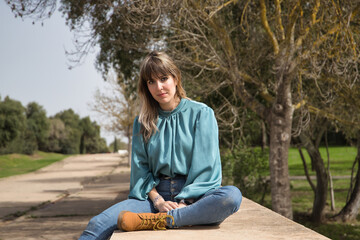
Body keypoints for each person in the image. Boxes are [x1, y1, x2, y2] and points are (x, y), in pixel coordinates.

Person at [78, 51, 242, 240]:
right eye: (151, 82)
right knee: (97, 224)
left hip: (197, 196)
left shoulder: (201, 114)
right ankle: (170, 218)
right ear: (146, 86)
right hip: (155, 195)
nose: (159, 87)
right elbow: (140, 170)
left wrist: (184, 202)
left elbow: (206, 169)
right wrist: (158, 202)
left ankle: (164, 220)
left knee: (231, 196)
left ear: (176, 78)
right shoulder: (142, 122)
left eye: (164, 78)